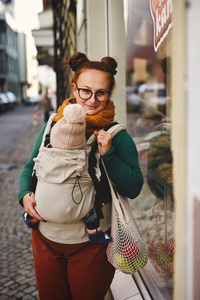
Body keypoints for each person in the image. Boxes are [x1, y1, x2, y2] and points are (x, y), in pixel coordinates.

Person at [18, 52, 144, 300]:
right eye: (86, 91)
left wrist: (108, 155)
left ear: (109, 94)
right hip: (45, 239)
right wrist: (24, 195)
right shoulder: (52, 124)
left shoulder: (117, 135)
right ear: (74, 88)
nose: (92, 100)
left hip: (91, 245)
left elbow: (134, 187)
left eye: (101, 93)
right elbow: (29, 168)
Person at [22, 103, 112, 243]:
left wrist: (25, 193)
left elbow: (31, 166)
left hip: (43, 208)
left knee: (37, 188)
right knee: (90, 203)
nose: (92, 100)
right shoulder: (88, 151)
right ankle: (94, 232)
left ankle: (30, 218)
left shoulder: (48, 144)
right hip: (80, 211)